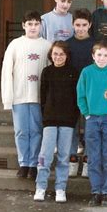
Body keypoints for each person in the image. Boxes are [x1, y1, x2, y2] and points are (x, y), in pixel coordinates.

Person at [1, 10, 51, 179]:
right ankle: (24, 162)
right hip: (20, 95)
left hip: (38, 96)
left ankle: (34, 163)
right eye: (29, 24)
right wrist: (8, 98)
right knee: (22, 130)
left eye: (36, 24)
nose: (33, 27)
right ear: (23, 25)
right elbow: (6, 71)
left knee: (37, 130)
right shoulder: (15, 44)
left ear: (40, 25)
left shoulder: (47, 45)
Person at [76, 41, 107, 207]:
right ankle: (96, 191)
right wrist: (87, 114)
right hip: (92, 119)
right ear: (93, 56)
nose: (102, 58)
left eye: (105, 55)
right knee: (94, 157)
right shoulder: (87, 72)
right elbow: (80, 94)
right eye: (99, 55)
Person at [34, 41, 79, 203]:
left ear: (67, 56)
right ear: (50, 55)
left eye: (61, 54)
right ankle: (41, 186)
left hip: (67, 121)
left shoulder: (74, 72)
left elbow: (76, 99)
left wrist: (74, 118)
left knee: (63, 156)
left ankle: (60, 188)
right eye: (55, 54)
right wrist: (45, 116)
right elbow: (43, 97)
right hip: (50, 120)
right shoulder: (47, 72)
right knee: (45, 155)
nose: (58, 57)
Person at [66, 8, 95, 178]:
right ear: (73, 25)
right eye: (78, 25)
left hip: (90, 93)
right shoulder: (67, 44)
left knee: (89, 128)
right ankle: (72, 160)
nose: (81, 28)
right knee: (73, 129)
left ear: (90, 25)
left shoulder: (95, 45)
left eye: (84, 25)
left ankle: (87, 161)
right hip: (71, 93)